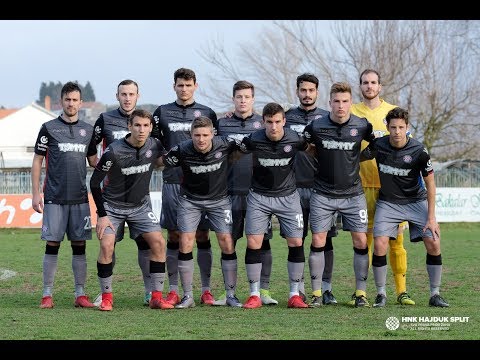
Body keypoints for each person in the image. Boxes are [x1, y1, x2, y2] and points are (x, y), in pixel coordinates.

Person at [361, 107, 449, 308]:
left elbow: (431, 184)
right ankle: (381, 294)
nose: (397, 131)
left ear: (407, 127)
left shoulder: (419, 151)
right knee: (380, 244)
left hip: (416, 202)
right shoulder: (378, 145)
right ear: (387, 127)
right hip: (389, 202)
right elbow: (358, 158)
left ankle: (435, 294)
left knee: (434, 242)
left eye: (401, 127)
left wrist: (432, 217)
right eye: (393, 127)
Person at [90, 109, 172, 311]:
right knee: (107, 245)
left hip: (141, 206)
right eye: (137, 125)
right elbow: (94, 183)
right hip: (112, 207)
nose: (141, 129)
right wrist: (102, 215)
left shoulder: (155, 144)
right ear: (129, 126)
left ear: (151, 127)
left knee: (159, 242)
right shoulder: (113, 151)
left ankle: (156, 297)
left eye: (146, 125)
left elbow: (162, 161)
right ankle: (107, 297)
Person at [159, 116, 242, 308]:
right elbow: (161, 163)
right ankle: (188, 296)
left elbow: (247, 146)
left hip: (219, 201)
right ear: (191, 135)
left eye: (205, 135)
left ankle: (231, 294)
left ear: (213, 133)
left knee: (227, 242)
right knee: (185, 241)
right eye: (197, 135)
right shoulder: (181, 150)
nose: (201, 139)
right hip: (190, 201)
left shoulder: (226, 144)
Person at [303, 82, 373, 307]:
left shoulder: (362, 125)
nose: (340, 106)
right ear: (329, 102)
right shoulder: (316, 126)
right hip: (323, 193)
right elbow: (304, 145)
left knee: (361, 240)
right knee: (317, 239)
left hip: (353, 194)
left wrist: (358, 158)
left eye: (345, 101)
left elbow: (378, 144)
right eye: (336, 101)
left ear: (350, 102)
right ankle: (316, 294)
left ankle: (360, 293)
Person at [152, 68, 217, 306]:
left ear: (195, 86)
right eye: (180, 85)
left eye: (188, 85)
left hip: (203, 183)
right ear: (174, 86)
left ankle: (206, 289)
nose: (184, 89)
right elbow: (156, 145)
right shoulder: (161, 112)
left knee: (202, 235)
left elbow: (216, 143)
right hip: (172, 181)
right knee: (174, 235)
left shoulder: (208, 113)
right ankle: (172, 289)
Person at [350, 69, 415, 306]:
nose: (369, 86)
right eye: (365, 83)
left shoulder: (393, 113)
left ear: (380, 86)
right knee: (364, 242)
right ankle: (362, 293)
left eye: (374, 82)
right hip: (360, 186)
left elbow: (409, 149)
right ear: (360, 86)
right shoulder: (351, 111)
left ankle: (401, 291)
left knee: (396, 240)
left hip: (392, 188)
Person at [32, 81, 98, 309]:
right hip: (54, 197)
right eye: (67, 100)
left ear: (81, 102)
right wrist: (35, 193)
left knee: (79, 245)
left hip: (80, 198)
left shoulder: (88, 131)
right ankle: (47, 294)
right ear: (61, 101)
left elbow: (93, 161)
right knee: (52, 244)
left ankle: (80, 294)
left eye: (75, 100)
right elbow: (38, 160)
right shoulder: (48, 127)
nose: (71, 104)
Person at [240, 102, 310, 309]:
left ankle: (294, 294)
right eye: (269, 122)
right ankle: (254, 295)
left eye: (277, 122)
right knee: (254, 242)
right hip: (259, 196)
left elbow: (313, 151)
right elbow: (235, 152)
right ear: (263, 122)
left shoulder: (296, 139)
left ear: (284, 121)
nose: (273, 126)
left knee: (296, 242)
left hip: (288, 196)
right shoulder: (253, 139)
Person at [214, 80, 277, 306]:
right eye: (239, 97)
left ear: (253, 99)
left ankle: (263, 290)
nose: (243, 101)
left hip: (257, 194)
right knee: (228, 242)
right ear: (233, 99)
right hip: (227, 193)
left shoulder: (264, 125)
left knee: (263, 242)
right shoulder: (221, 124)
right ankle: (228, 292)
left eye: (247, 97)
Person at [92, 79, 153, 306]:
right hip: (112, 196)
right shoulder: (105, 118)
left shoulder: (146, 120)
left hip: (138, 197)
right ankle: (105, 291)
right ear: (117, 96)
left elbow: (157, 148)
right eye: (123, 94)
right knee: (109, 244)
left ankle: (149, 292)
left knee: (145, 243)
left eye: (131, 94)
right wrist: (103, 169)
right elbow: (91, 148)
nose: (127, 98)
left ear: (138, 96)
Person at [284, 73, 339, 306]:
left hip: (322, 189)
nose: (307, 94)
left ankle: (326, 289)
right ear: (297, 91)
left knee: (324, 241)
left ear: (318, 92)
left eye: (311, 90)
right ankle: (299, 289)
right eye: (303, 90)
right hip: (292, 189)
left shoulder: (327, 118)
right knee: (297, 240)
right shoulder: (285, 118)